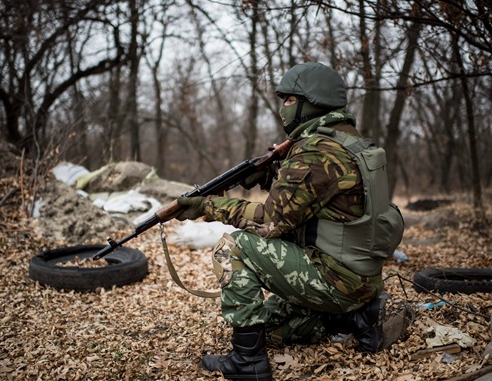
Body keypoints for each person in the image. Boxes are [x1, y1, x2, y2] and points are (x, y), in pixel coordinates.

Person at [175, 62, 408, 381]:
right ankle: (355, 320)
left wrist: (208, 206)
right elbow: (315, 198)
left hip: (335, 280)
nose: (282, 109)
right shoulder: (351, 144)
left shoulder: (317, 151)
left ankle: (247, 363)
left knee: (234, 247)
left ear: (309, 102)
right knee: (271, 327)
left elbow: (270, 222)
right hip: (359, 280)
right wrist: (271, 174)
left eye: (287, 100)